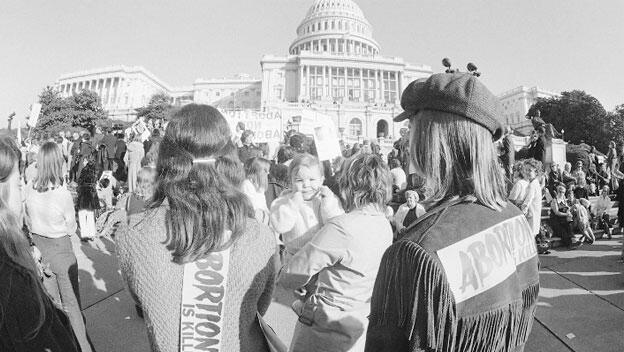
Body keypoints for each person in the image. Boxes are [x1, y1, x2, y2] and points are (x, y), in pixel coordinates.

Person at [366, 73, 539, 351]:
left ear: (431, 139)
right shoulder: (514, 217)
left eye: (412, 127)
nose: (407, 139)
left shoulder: (416, 252)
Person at [116, 104, 278, 352]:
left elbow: (140, 300)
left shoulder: (134, 233)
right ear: (230, 158)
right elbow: (258, 306)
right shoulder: (260, 235)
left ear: (167, 158)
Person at [279, 153, 393, 352]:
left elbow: (290, 276)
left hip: (324, 330)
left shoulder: (341, 227)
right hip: (359, 328)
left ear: (349, 185)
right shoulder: (384, 224)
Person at [24, 142, 93, 351]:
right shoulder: (62, 193)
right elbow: (71, 228)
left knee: (54, 308)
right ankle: (83, 347)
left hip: (42, 250)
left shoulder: (29, 188)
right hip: (61, 249)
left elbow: (27, 220)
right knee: (73, 307)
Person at [270, 153, 343, 257]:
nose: (306, 185)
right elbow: (280, 226)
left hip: (322, 257)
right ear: (290, 181)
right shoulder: (284, 201)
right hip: (295, 258)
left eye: (312, 180)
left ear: (321, 180)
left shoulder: (328, 198)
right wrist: (293, 205)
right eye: (299, 180)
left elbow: (336, 224)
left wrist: (328, 203)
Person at [242, 157, 272, 224]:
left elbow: (264, 205)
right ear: (258, 171)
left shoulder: (260, 187)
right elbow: (252, 207)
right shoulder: (246, 184)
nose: (268, 173)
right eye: (266, 171)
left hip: (262, 220)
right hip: (252, 222)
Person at [550, 183, 575, 248]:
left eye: (563, 192)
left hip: (563, 220)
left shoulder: (564, 200)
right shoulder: (554, 200)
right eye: (560, 192)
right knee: (563, 232)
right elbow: (556, 212)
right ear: (557, 192)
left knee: (569, 226)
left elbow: (567, 208)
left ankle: (573, 241)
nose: (561, 193)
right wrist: (567, 214)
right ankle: (569, 244)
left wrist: (569, 212)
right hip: (556, 221)